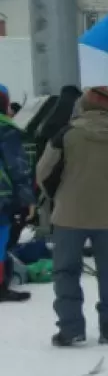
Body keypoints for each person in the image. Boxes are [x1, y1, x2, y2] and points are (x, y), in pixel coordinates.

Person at [36, 86, 108, 346]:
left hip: (68, 216)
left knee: (66, 272)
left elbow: (44, 171)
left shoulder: (66, 135)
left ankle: (71, 328)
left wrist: (58, 196)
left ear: (82, 106)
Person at [0, 83, 34, 303]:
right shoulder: (6, 129)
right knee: (1, 239)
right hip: (2, 197)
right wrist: (28, 199)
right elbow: (17, 166)